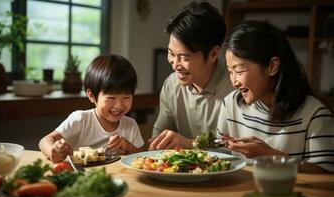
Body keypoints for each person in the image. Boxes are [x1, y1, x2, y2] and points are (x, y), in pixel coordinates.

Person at [218, 20, 334, 173]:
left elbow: (326, 174)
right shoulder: (230, 104)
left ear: (272, 67)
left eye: (239, 71)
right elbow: (218, 158)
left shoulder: (314, 114)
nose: (234, 82)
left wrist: (270, 156)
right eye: (230, 72)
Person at [149, 1, 232, 150]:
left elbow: (237, 147)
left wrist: (190, 144)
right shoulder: (171, 84)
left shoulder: (236, 87)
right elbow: (158, 139)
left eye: (185, 57)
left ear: (213, 54)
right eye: (171, 53)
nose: (175, 64)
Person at [39, 54, 144, 163]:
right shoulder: (81, 119)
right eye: (111, 98)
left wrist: (128, 146)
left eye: (126, 97)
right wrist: (53, 151)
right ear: (91, 95)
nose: (119, 105)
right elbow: (44, 141)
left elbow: (141, 157)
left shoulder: (130, 125)